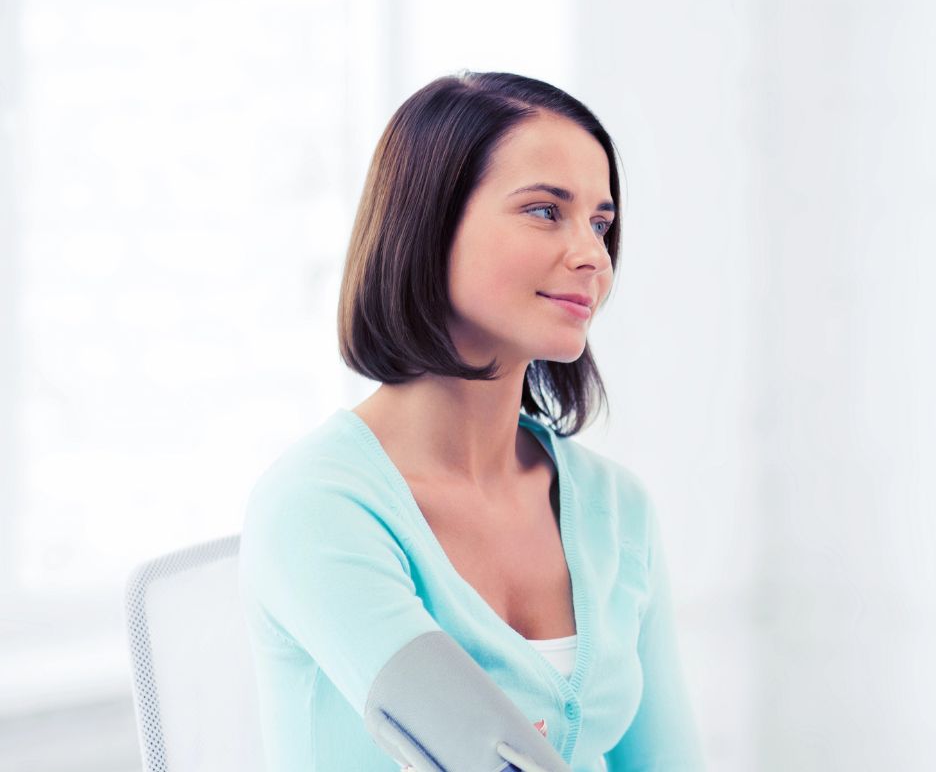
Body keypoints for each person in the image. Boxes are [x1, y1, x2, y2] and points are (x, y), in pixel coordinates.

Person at [239, 71, 703, 771]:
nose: (592, 256)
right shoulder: (319, 506)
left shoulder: (617, 509)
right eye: (546, 211)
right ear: (431, 225)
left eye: (601, 223)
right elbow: (488, 759)